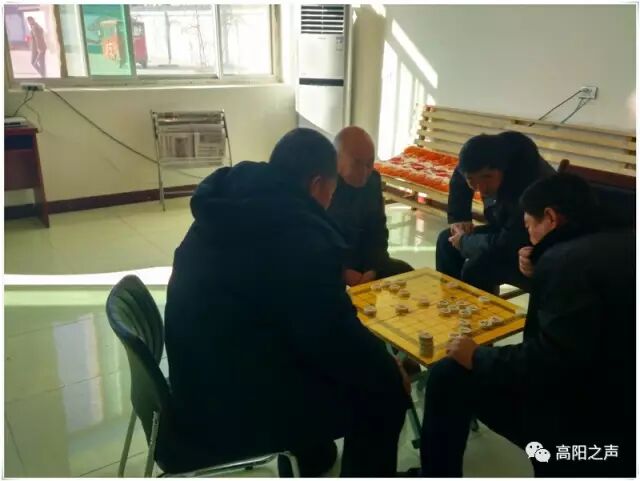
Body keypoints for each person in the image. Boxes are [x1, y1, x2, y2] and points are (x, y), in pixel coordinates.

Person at [164, 128, 410, 477]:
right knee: (385, 393)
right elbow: (334, 336)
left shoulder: (230, 202)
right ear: (317, 185)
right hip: (229, 410)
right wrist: (387, 366)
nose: (328, 204)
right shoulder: (299, 236)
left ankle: (310, 451)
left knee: (309, 349)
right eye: (331, 193)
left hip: (196, 384)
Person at [420, 173, 635, 477]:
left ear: (551, 217)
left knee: (448, 374)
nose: (529, 237)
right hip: (623, 402)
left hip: (582, 417)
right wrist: (542, 269)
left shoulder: (567, 263)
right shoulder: (622, 239)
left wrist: (478, 356)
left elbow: (550, 361)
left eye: (529, 226)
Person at [437, 131, 555, 294]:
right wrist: (459, 217)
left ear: (503, 168)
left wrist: (465, 242)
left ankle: (481, 309)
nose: (482, 189)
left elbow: (509, 242)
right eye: (472, 180)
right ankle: (450, 300)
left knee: (477, 268)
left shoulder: (529, 180)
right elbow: (461, 175)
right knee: (446, 241)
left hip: (532, 244)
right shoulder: (486, 156)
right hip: (506, 227)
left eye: (487, 177)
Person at [327, 126, 413, 287]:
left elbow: (378, 232)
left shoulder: (373, 181)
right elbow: (315, 242)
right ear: (336, 160)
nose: (365, 171)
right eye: (357, 163)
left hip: (366, 262)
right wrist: (343, 271)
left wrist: (373, 269)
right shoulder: (323, 186)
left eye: (369, 163)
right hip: (331, 264)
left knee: (407, 274)